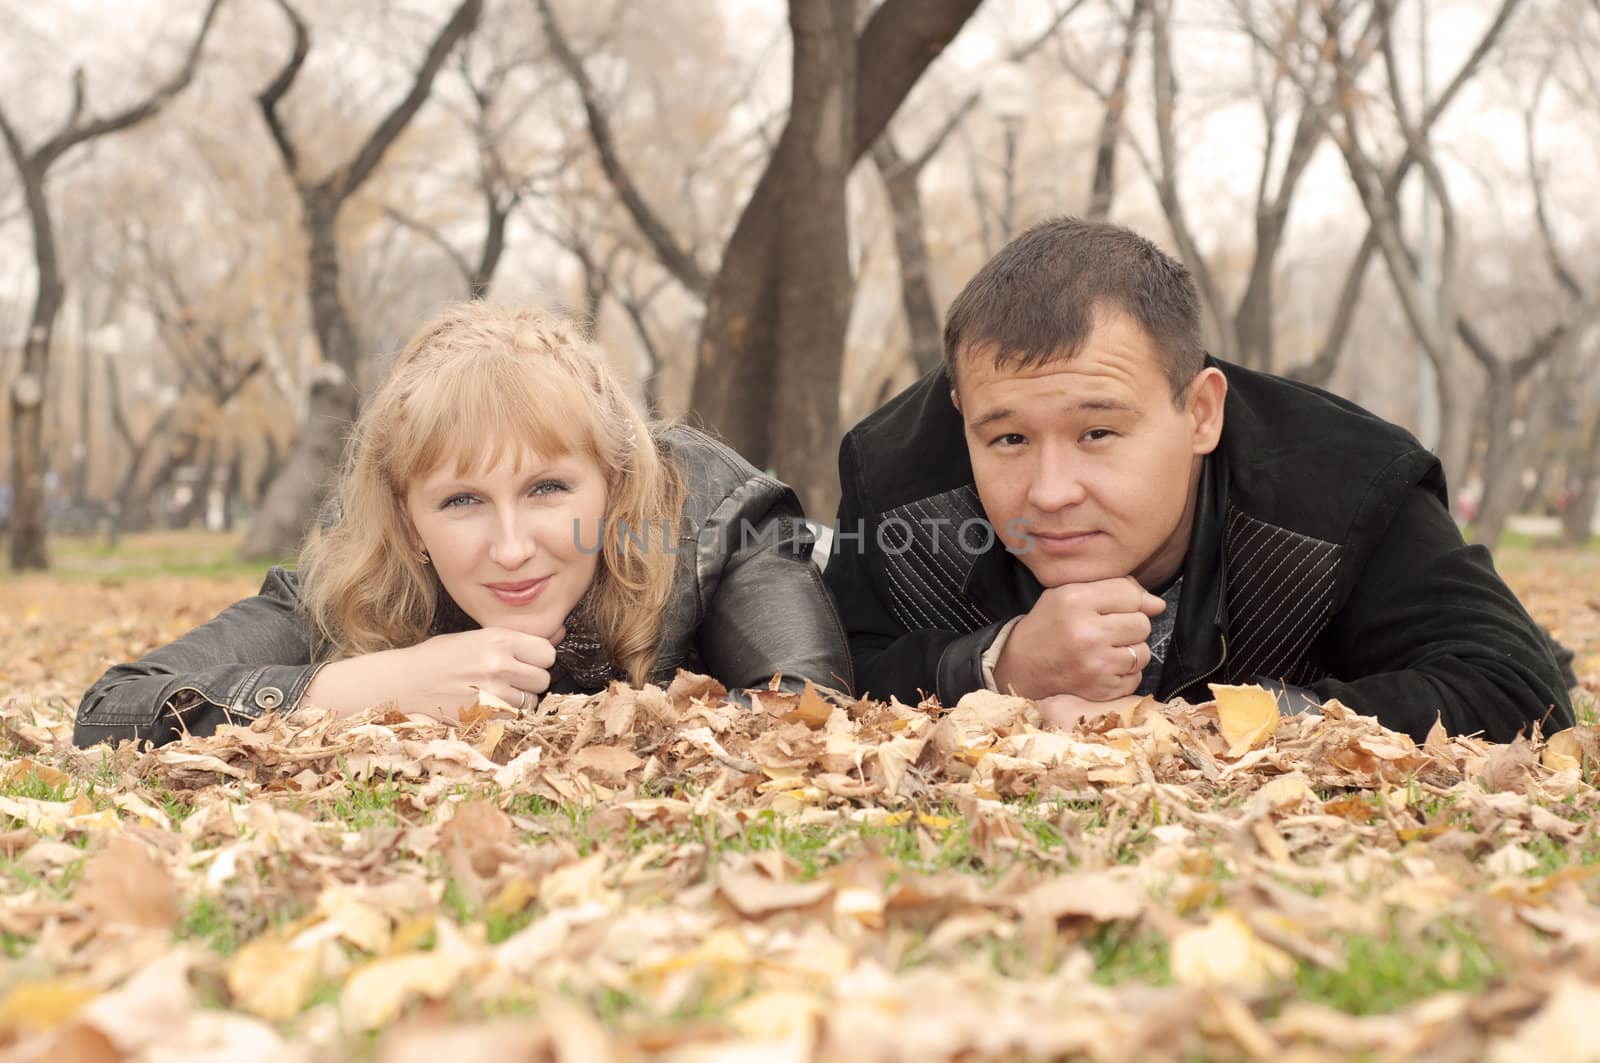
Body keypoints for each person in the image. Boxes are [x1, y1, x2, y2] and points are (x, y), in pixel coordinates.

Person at [823, 217, 1573, 743]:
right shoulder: (895, 478)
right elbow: (834, 668)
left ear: (1202, 412)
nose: (1050, 491)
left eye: (1098, 432)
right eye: (1009, 438)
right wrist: (1001, 663)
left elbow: (1516, 687)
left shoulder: (1345, 487)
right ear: (963, 417)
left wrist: (1197, 722)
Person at [76, 303, 850, 748]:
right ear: (407, 518)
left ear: (614, 486)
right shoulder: (362, 566)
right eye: (461, 501)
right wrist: (373, 684)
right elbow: (113, 707)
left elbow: (812, 706)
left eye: (548, 487)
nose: (511, 547)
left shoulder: (721, 514)